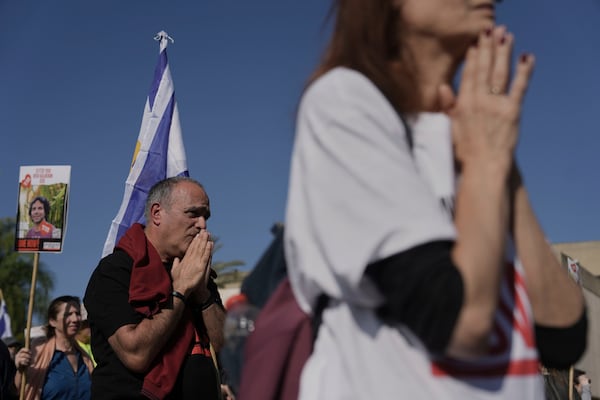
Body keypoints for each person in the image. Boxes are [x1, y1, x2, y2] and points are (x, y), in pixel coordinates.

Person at [283, 1, 588, 399]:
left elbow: (561, 336)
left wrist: (502, 165)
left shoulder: (473, 132)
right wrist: (485, 158)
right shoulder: (343, 102)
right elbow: (460, 323)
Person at [84, 176, 226, 400]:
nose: (202, 225)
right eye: (193, 214)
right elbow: (136, 354)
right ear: (157, 213)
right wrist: (179, 291)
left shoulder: (198, 273)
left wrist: (203, 294)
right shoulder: (115, 271)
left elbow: (225, 349)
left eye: (205, 216)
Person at [13, 296, 94, 400]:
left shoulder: (85, 358)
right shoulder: (38, 353)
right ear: (52, 321)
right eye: (68, 314)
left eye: (77, 314)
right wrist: (20, 370)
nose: (75, 319)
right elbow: (17, 389)